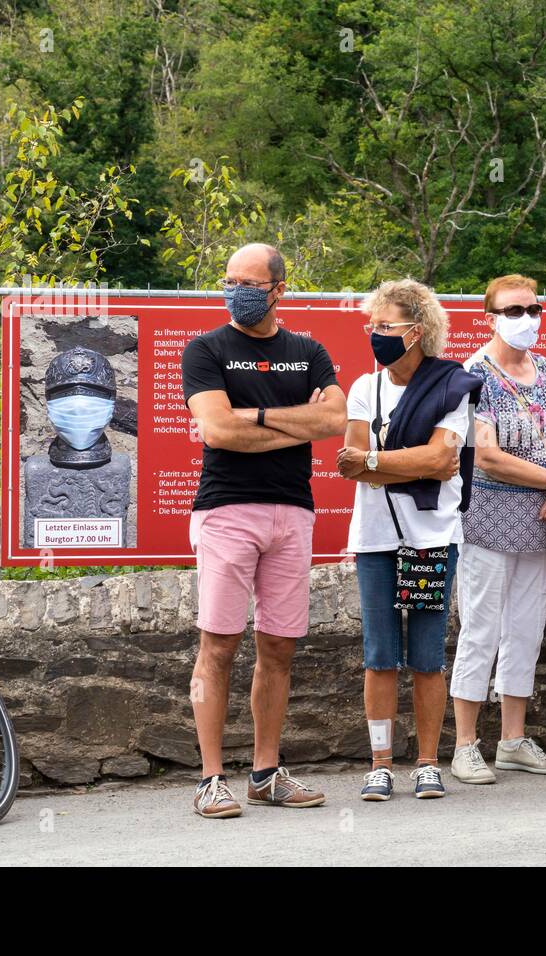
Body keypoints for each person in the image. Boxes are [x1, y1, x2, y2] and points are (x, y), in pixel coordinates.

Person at [181, 242, 348, 819]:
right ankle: (209, 777)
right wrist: (292, 425)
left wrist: (251, 416)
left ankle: (266, 772)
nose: (236, 291)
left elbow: (334, 420)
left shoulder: (307, 351)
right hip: (227, 510)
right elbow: (219, 433)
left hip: (293, 512)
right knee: (218, 645)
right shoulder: (205, 349)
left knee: (278, 647)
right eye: (229, 280)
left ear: (279, 289)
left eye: (250, 282)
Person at [338, 279, 482, 800]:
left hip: (431, 540)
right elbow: (348, 465)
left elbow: (442, 461)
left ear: (415, 332)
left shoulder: (453, 385)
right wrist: (402, 463)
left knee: (426, 656)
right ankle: (379, 762)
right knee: (379, 654)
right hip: (376, 539)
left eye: (383, 326)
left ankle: (426, 761)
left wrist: (377, 461)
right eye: (371, 325)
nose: (373, 334)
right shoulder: (363, 388)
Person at [449, 274, 546, 784]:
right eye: (512, 310)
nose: (525, 318)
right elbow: (486, 456)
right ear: (489, 315)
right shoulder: (473, 374)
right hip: (488, 517)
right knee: (480, 628)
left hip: (541, 519)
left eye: (532, 308)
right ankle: (466, 743)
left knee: (525, 631)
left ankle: (512, 739)